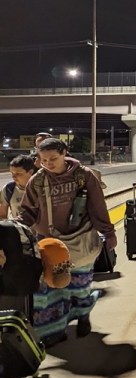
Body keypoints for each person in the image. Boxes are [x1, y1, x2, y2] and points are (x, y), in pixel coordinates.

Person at [18, 138, 116, 347]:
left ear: (65, 153)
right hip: (51, 245)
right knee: (51, 289)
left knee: (79, 288)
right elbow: (27, 211)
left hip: (81, 242)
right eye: (44, 160)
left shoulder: (84, 176)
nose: (48, 164)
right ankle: (54, 331)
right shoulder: (37, 180)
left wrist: (109, 233)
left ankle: (83, 315)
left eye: (53, 158)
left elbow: (97, 206)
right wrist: (16, 226)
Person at [0, 154, 38, 220]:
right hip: (18, 229)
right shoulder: (8, 189)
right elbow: (2, 215)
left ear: (30, 172)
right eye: (12, 173)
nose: (13, 177)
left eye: (18, 174)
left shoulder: (40, 188)